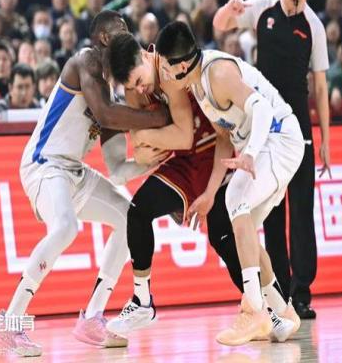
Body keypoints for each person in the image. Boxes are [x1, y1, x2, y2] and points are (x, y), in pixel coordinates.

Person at [0, 10, 171, 357]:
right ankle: (11, 322)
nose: (128, 35)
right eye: (121, 29)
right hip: (43, 164)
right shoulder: (84, 62)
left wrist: (153, 162)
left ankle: (92, 317)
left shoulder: (112, 97)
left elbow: (117, 170)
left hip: (72, 171)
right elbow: (104, 114)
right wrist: (156, 118)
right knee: (65, 227)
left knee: (129, 218)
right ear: (104, 38)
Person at [104, 34, 300, 343]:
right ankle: (143, 301)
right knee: (143, 211)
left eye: (140, 81)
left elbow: (181, 137)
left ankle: (268, 312)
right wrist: (144, 143)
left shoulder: (173, 70)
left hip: (215, 152)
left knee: (227, 231)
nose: (139, 90)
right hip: (195, 157)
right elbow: (143, 153)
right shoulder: (142, 85)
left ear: (145, 55)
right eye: (132, 86)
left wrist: (146, 136)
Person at [213, 0, 331, 320]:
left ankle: (302, 293)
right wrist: (229, 9)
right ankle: (279, 290)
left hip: (300, 133)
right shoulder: (262, 9)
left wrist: (326, 139)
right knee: (271, 215)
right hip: (264, 129)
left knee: (302, 212)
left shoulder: (314, 26)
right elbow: (220, 25)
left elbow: (321, 87)